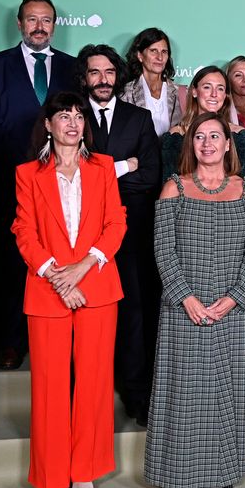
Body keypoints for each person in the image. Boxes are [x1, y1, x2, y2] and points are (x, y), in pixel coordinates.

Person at [11, 92, 126, 488]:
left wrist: (83, 268)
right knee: (50, 387)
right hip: (47, 290)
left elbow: (116, 222)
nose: (73, 122)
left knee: (94, 384)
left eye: (79, 116)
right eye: (64, 115)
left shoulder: (103, 168)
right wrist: (58, 277)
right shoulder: (28, 173)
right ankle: (53, 473)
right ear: (48, 124)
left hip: (96, 285)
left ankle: (85, 471)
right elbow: (24, 230)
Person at [145, 112, 245, 488]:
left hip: (232, 309)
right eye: (200, 137)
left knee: (227, 393)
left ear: (229, 144)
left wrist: (232, 300)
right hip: (184, 308)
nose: (208, 143)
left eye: (216, 136)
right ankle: (185, 475)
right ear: (190, 145)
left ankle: (224, 471)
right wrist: (187, 299)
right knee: (186, 393)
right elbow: (163, 251)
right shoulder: (173, 188)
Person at [0, 0, 77, 370]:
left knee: (58, 257)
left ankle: (55, 340)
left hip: (63, 182)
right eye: (32, 19)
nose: (40, 26)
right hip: (14, 179)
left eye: (47, 20)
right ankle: (9, 341)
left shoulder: (72, 67)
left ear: (54, 25)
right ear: (19, 24)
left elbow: (77, 123)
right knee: (13, 260)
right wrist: (26, 170)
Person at [78, 44, 162, 427]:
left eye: (109, 72)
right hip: (80, 234)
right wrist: (122, 166)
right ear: (84, 78)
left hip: (132, 230)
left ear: (118, 75)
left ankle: (136, 393)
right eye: (94, 73)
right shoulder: (71, 116)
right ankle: (87, 397)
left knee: (135, 313)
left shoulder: (139, 118)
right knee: (88, 315)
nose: (102, 80)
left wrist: (100, 172)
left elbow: (148, 177)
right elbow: (66, 175)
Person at [160, 66, 245, 181]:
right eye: (207, 87)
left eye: (220, 89)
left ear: (225, 95)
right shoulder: (176, 135)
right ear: (194, 92)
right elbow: (169, 184)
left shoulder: (239, 134)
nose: (214, 94)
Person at [120, 27, 186, 138]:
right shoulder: (125, 93)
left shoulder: (182, 93)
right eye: (153, 51)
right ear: (140, 55)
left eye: (164, 52)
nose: (159, 57)